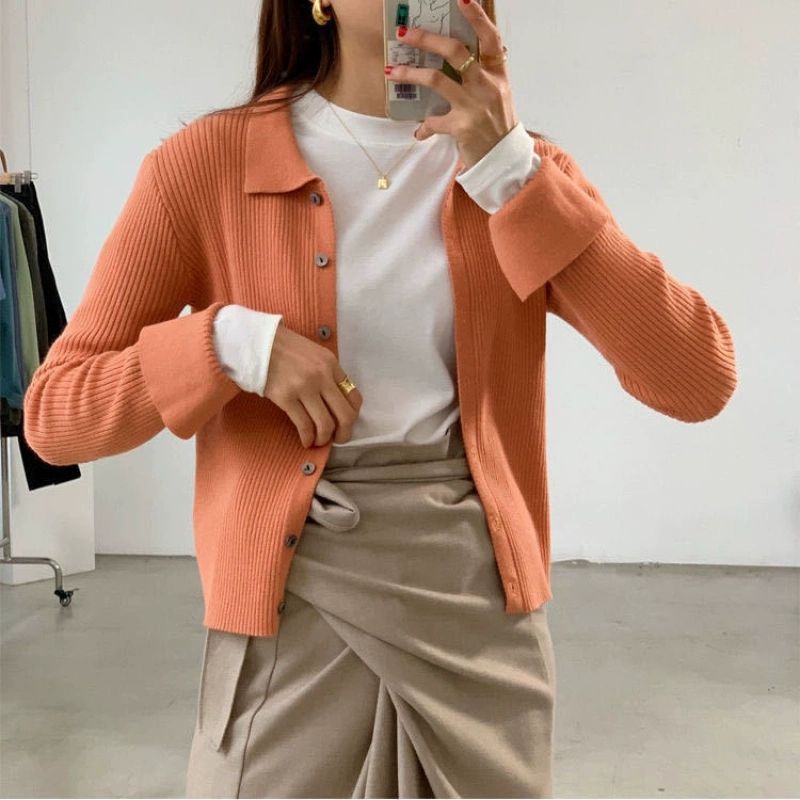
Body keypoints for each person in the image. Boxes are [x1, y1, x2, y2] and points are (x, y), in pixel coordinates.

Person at [22, 0, 738, 797]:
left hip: (475, 621)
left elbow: (697, 378)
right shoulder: (206, 165)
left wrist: (511, 171)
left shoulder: (523, 173)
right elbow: (56, 418)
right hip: (289, 612)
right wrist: (227, 345)